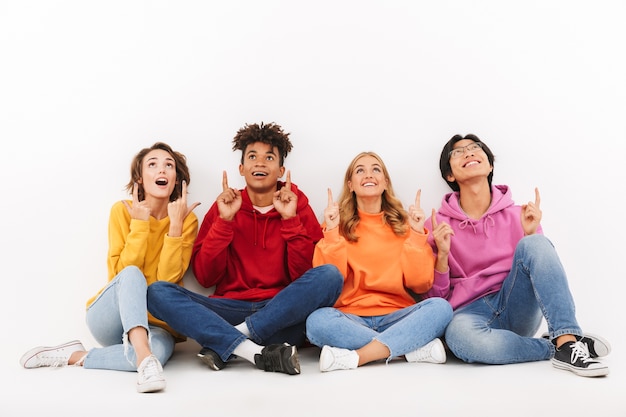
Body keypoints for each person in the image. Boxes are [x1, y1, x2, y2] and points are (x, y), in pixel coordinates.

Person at [147, 122, 343, 375]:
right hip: (229, 309)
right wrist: (225, 222)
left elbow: (304, 277)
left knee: (330, 275)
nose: (260, 163)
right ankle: (254, 351)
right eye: (252, 157)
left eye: (269, 157)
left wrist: (290, 220)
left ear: (281, 169)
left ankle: (230, 341)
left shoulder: (297, 205)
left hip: (280, 313)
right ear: (242, 168)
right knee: (156, 292)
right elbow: (206, 278)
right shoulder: (224, 206)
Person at [424, 133, 611, 377]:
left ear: (490, 165)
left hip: (516, 304)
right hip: (469, 314)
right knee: (461, 341)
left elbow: (541, 269)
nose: (469, 153)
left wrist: (530, 233)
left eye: (475, 148)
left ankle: (566, 337)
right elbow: (434, 299)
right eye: (457, 152)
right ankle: (558, 347)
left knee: (535, 243)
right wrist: (442, 255)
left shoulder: (518, 214)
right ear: (449, 174)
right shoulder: (436, 224)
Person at [19, 142, 200, 392]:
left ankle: (79, 356)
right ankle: (143, 356)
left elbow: (166, 282)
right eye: (153, 164)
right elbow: (122, 275)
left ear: (177, 178)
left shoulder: (186, 221)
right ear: (140, 177)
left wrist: (175, 228)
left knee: (156, 350)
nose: (162, 170)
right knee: (132, 273)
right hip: (111, 318)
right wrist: (139, 224)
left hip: (157, 324)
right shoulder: (122, 211)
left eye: (169, 165)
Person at [305, 151, 453, 372]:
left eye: (376, 169)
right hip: (350, 317)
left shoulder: (404, 224)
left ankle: (358, 357)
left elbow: (420, 283)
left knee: (441, 308)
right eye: (360, 170)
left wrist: (415, 234)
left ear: (385, 183)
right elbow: (330, 281)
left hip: (398, 316)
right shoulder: (335, 224)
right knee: (316, 322)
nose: (369, 175)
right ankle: (406, 351)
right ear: (351, 185)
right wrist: (333, 233)